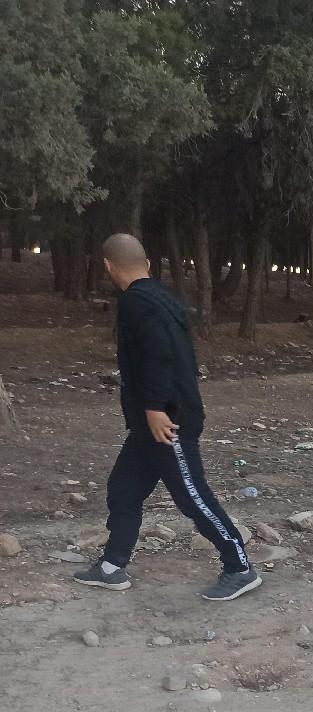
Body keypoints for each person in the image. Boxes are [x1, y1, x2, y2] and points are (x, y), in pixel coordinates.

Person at [73, 233, 260, 601]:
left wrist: (156, 408)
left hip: (168, 420)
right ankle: (112, 566)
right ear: (144, 262)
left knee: (191, 495)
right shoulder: (160, 296)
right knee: (123, 489)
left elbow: (159, 356)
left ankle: (239, 567)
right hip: (151, 423)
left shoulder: (137, 304)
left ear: (109, 266)